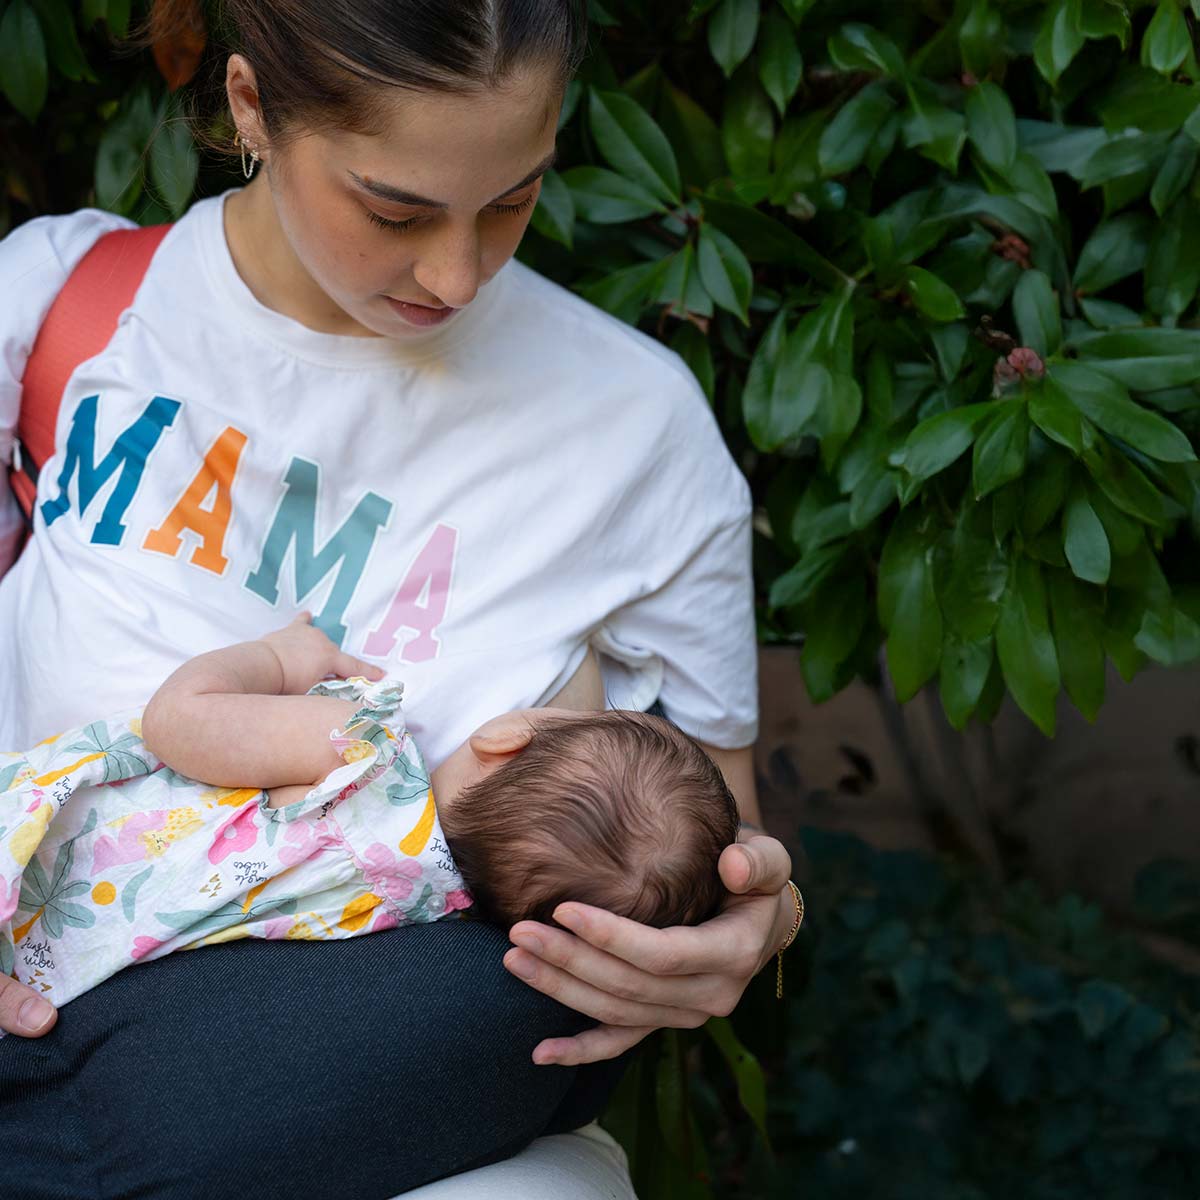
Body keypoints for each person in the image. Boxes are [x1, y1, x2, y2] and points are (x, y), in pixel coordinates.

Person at [0, 1, 796, 1195]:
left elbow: (713, 829)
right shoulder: (65, 303)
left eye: (514, 197)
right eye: (396, 210)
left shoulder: (637, 431)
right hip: (48, 924)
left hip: (337, 1040)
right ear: (251, 108)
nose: (458, 272)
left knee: (488, 1004)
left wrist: (750, 932)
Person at [2, 615, 737, 1011]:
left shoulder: (361, 751)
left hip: (33, 844)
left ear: (507, 737)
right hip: (59, 970)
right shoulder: (421, 916)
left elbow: (177, 721)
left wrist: (279, 658)